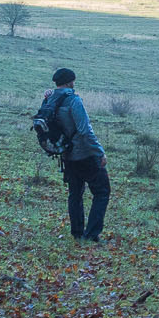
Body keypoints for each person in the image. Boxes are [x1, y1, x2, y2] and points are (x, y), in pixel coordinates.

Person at [44, 68, 109, 243]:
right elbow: (85, 131)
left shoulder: (49, 99)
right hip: (85, 154)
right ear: (70, 82)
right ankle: (92, 234)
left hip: (65, 153)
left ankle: (77, 233)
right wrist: (99, 152)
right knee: (102, 192)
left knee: (75, 193)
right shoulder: (73, 100)